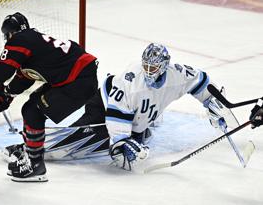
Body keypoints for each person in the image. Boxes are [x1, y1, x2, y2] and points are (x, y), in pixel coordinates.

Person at [71, 43, 228, 170]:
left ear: (164, 66)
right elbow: (117, 112)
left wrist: (212, 100)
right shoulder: (132, 81)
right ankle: (69, 135)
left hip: (136, 116)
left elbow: (198, 79)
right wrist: (121, 140)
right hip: (105, 102)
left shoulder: (177, 74)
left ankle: (139, 129)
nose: (148, 72)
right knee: (92, 130)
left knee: (134, 149)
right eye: (145, 66)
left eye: (152, 68)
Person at [0, 12, 98, 182]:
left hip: (77, 82)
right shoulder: (35, 41)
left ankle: (35, 165)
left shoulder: (19, 40)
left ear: (9, 34)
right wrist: (7, 95)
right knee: (31, 107)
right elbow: (25, 77)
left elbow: (0, 74)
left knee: (32, 111)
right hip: (80, 78)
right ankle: (31, 150)